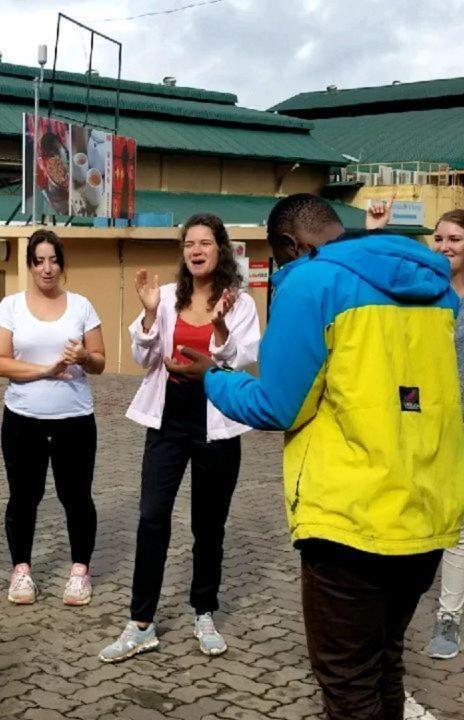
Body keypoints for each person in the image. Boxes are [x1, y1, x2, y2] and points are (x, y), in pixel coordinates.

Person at [168, 194, 464, 719]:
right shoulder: (438, 289)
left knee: (348, 684)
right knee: (385, 662)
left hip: (350, 519)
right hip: (427, 512)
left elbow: (280, 405)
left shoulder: (310, 282)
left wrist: (211, 378)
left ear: (288, 245)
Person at [99, 213, 260, 663]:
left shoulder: (240, 303)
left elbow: (238, 362)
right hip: (168, 419)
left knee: (208, 526)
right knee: (152, 518)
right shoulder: (167, 297)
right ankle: (141, 622)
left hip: (217, 420)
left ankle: (203, 610)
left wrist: (222, 326)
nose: (196, 250)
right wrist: (149, 314)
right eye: (189, 243)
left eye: (205, 242)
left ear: (220, 249)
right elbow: (141, 356)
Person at [0, 229, 105, 605]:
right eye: (39, 261)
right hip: (23, 418)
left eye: (54, 260)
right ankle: (21, 571)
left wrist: (84, 358)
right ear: (29, 265)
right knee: (24, 497)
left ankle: (79, 572)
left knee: (77, 497)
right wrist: (45, 370)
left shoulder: (82, 305)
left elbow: (100, 361)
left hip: (75, 418)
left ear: (62, 263)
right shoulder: (10, 306)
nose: (47, 268)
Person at [426, 209, 464, 660]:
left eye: (455, 238)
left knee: (458, 529)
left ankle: (448, 617)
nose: (446, 245)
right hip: (430, 423)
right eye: (439, 237)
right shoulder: (428, 294)